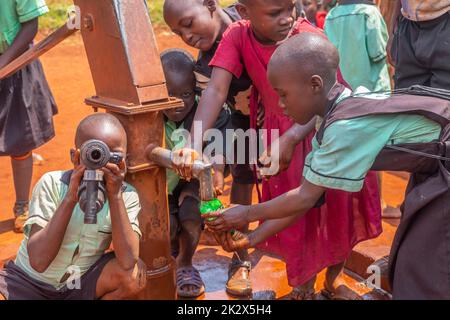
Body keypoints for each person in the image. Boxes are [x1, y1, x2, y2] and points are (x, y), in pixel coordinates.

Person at [206, 32, 450, 300]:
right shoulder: (337, 111)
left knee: (428, 266)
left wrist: (246, 214)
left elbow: (304, 197)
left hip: (443, 163)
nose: (280, 104)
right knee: (416, 250)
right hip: (435, 163)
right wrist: (251, 238)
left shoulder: (344, 127)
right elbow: (308, 197)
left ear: (314, 85)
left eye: (284, 94)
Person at [170, 0, 381, 300]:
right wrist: (192, 145)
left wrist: (293, 136)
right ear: (244, 13)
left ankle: (331, 281)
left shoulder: (308, 39)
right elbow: (216, 90)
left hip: (323, 131)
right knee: (298, 220)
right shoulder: (237, 37)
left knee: (337, 214)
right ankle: (303, 286)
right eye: (274, 13)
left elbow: (335, 100)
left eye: (290, 8)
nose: (287, 18)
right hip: (276, 137)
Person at [0, 113, 146, 300]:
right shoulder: (52, 183)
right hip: (29, 282)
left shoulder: (126, 195)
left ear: (125, 159)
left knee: (134, 276)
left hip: (77, 284)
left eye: (112, 156)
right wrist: (70, 197)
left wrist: (115, 195)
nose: (101, 163)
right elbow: (38, 261)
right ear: (74, 156)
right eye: (94, 154)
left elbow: (127, 262)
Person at [161, 49, 229, 298]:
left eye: (185, 94)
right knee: (165, 224)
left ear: (197, 90)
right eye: (168, 95)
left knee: (191, 214)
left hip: (193, 179)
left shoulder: (210, 113)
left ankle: (186, 262)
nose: (177, 102)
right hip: (159, 182)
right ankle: (170, 255)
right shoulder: (148, 114)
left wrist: (218, 171)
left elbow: (218, 148)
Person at [0, 0, 58, 233]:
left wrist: (4, 64)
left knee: (20, 140)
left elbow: (30, 25)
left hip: (17, 64)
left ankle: (23, 206)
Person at [324, 0, 391, 92]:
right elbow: (378, 53)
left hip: (344, 94)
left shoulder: (331, 16)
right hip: (373, 92)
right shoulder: (369, 13)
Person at [388, 0, 450, 89]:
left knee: (444, 98)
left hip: (444, 22)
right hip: (408, 26)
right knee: (406, 99)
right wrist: (392, 30)